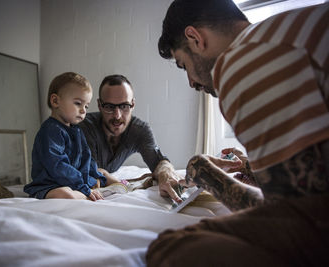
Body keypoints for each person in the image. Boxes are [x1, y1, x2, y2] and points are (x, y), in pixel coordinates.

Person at [146, 0, 329, 266]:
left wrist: (207, 173)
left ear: (194, 38)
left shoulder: (246, 60)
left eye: (184, 65)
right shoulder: (286, 34)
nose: (192, 82)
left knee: (168, 248)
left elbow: (299, 222)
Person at [79, 74, 184, 203]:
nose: (117, 115)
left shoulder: (139, 130)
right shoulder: (84, 127)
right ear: (100, 105)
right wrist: (134, 182)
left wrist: (166, 174)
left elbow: (159, 162)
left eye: (124, 106)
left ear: (133, 104)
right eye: (109, 107)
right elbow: (93, 174)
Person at [24, 72, 121, 201]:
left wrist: (91, 177)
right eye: (78, 103)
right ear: (55, 101)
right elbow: (58, 166)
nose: (83, 110)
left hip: (75, 181)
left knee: (101, 172)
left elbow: (86, 158)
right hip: (51, 183)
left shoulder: (77, 130)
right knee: (66, 194)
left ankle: (124, 187)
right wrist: (83, 187)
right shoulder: (50, 131)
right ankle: (88, 195)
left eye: (86, 106)